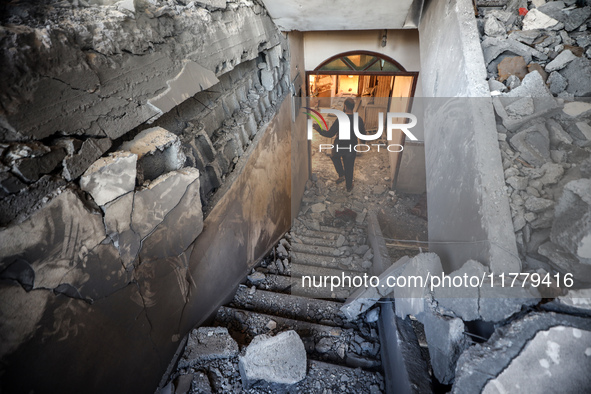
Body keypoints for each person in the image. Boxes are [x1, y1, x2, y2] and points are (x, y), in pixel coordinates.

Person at [314, 98, 365, 192]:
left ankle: (341, 174)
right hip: (351, 147)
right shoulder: (359, 119)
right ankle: (349, 186)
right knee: (349, 167)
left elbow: (330, 134)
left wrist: (318, 129)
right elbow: (363, 136)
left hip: (339, 145)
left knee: (334, 157)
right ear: (353, 107)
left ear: (345, 106)